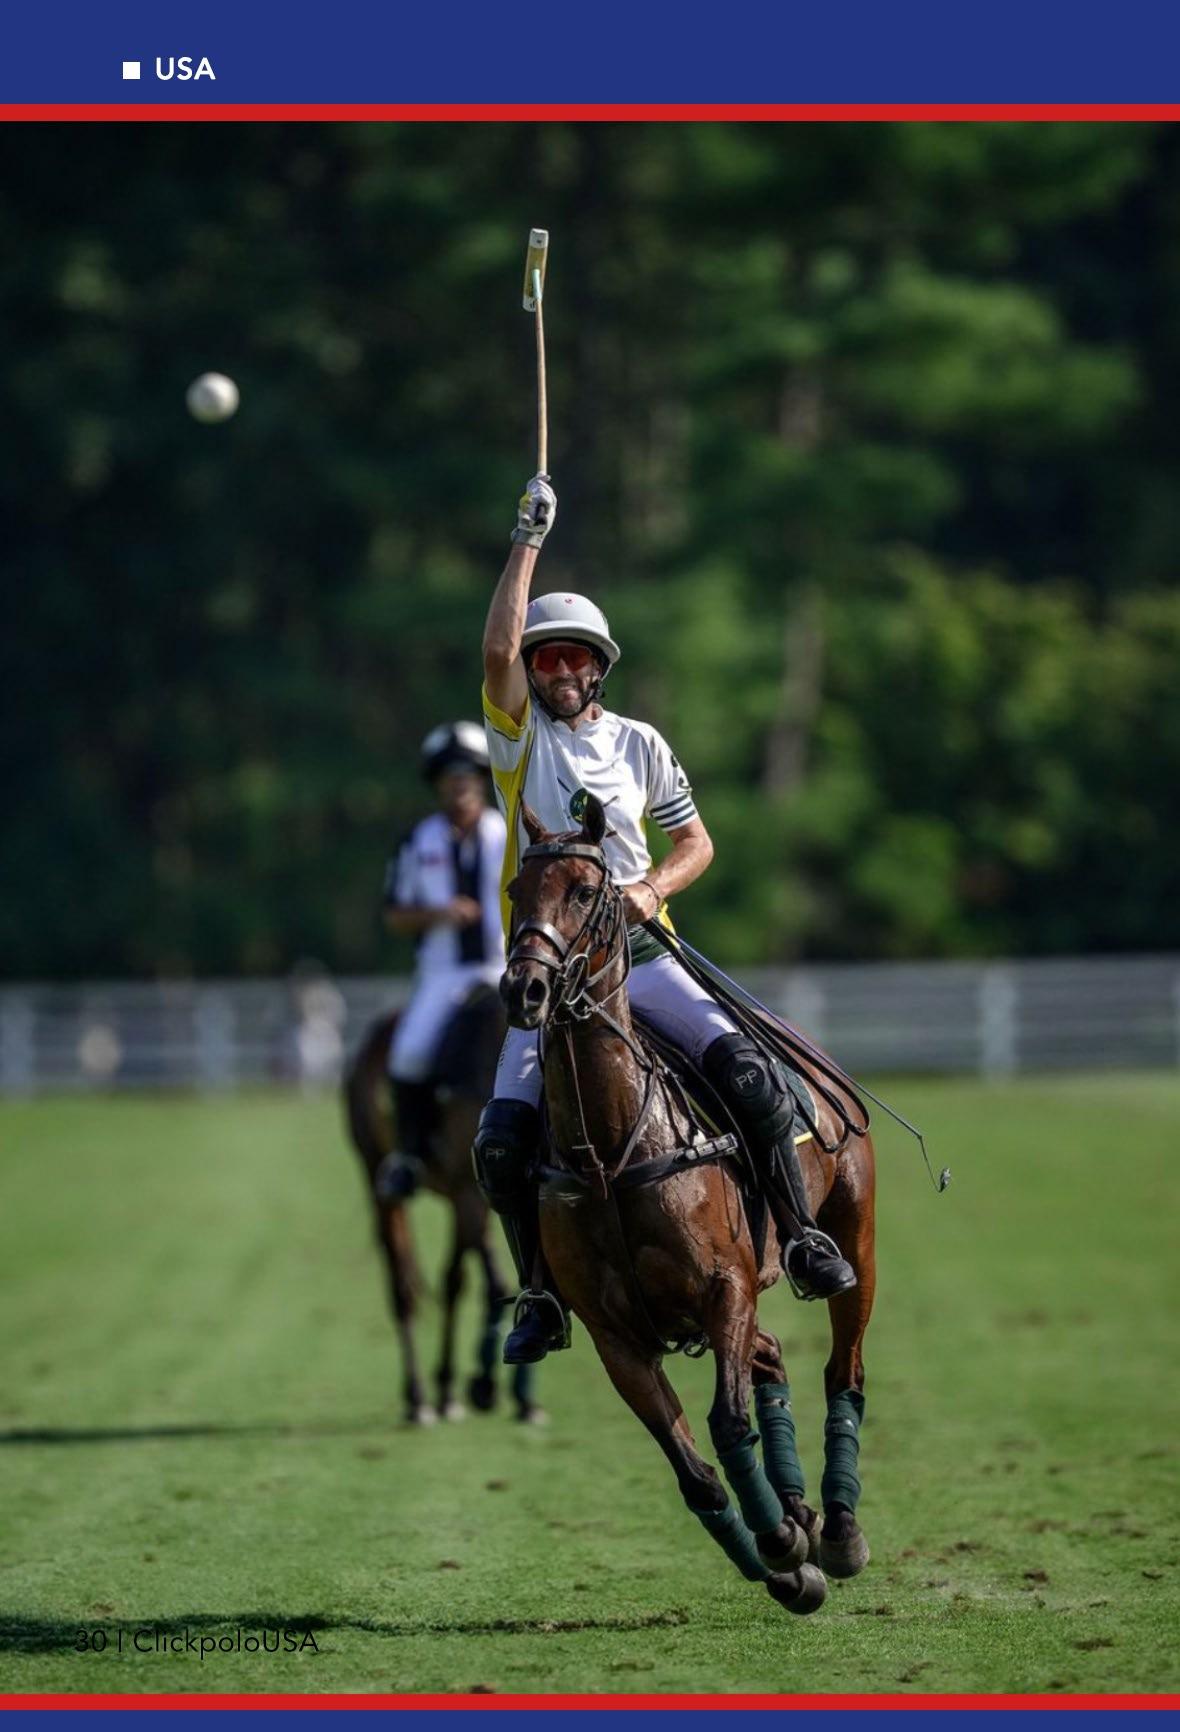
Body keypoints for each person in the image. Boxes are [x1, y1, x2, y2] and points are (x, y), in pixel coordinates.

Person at [472, 475, 856, 1364]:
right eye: (544, 660)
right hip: (551, 978)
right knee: (500, 1141)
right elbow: (494, 648)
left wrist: (650, 890)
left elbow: (697, 843)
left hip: (644, 957)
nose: (557, 672)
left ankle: (801, 1238)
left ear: (598, 668)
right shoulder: (519, 742)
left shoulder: (640, 743)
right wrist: (527, 538)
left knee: (754, 1079)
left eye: (573, 659)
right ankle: (540, 1294)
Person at [380, 721, 507, 1199]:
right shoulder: (418, 841)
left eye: (468, 775)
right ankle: (410, 1157)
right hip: (444, 974)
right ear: (437, 783)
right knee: (409, 1053)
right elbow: (394, 914)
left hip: (506, 967)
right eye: (451, 776)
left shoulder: (509, 832)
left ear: (482, 780)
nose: (460, 784)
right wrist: (438, 914)